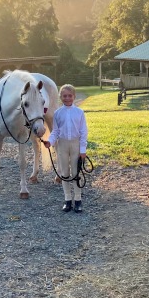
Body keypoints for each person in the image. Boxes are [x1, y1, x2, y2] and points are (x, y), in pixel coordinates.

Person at [43, 84, 88, 213]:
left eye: (69, 96)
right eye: (64, 96)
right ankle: (67, 199)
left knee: (76, 173)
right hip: (62, 144)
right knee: (64, 173)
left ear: (74, 96)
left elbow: (83, 131)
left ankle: (78, 200)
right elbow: (56, 131)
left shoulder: (79, 112)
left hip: (75, 144)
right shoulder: (57, 113)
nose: (67, 98)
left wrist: (83, 149)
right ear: (60, 97)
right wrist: (50, 142)